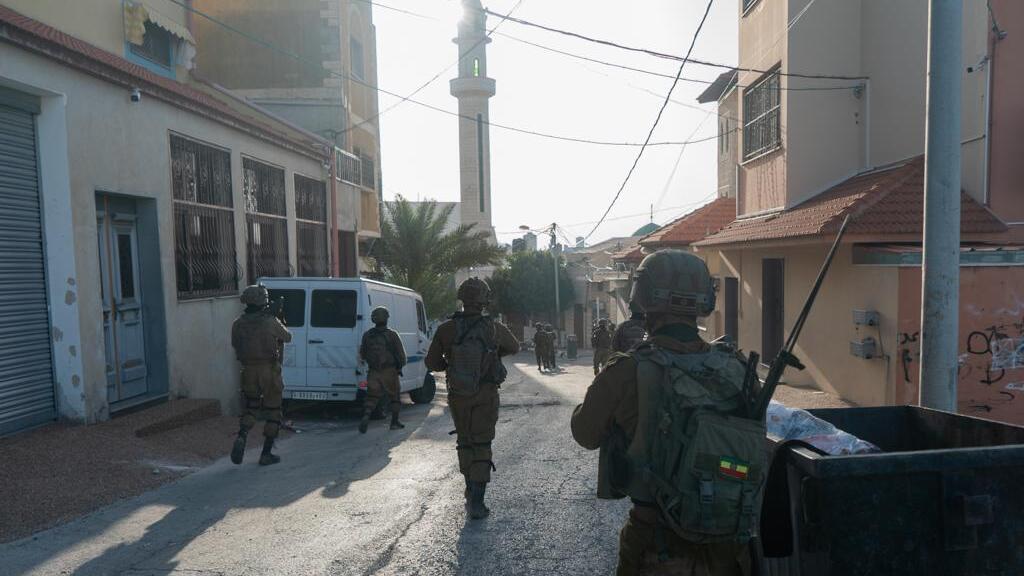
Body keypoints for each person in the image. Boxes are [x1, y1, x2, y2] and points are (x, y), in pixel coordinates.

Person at [571, 250, 756, 576]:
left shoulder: (627, 369)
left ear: (643, 296)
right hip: (730, 546)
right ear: (705, 299)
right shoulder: (738, 368)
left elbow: (585, 434)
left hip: (657, 544)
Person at [425, 278, 519, 519]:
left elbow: (432, 362)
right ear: (484, 300)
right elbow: (514, 347)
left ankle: (469, 489)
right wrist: (493, 354)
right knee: (482, 443)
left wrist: (452, 365)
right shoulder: (494, 328)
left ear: (462, 298)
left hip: (458, 395)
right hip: (486, 394)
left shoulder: (446, 329)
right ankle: (477, 500)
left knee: (465, 441)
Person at [230, 285, 292, 466]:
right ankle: (266, 453)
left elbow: (235, 344)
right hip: (268, 371)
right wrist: (279, 317)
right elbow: (287, 337)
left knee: (251, 407)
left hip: (248, 370)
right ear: (263, 301)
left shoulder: (238, 323)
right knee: (273, 410)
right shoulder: (269, 321)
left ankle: (242, 435)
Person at [359, 306, 408, 433]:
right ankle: (394, 422)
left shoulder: (367, 335)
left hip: (373, 371)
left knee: (372, 396)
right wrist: (400, 366)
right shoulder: (392, 335)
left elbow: (362, 353)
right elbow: (401, 356)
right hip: (389, 371)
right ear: (386, 318)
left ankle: (366, 415)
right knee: (394, 397)